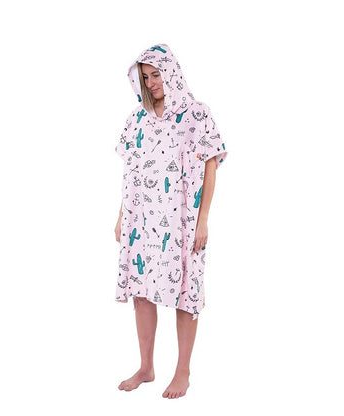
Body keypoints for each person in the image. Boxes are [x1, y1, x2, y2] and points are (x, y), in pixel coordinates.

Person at [114, 43, 228, 399]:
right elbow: (131, 172)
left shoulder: (197, 113)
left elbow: (210, 165)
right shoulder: (136, 119)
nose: (152, 83)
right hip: (141, 216)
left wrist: (203, 218)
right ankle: (146, 367)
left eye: (157, 74)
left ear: (171, 72)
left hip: (182, 218)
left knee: (185, 293)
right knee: (140, 290)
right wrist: (121, 215)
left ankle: (183, 371)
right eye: (145, 78)